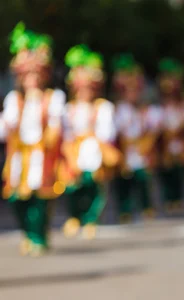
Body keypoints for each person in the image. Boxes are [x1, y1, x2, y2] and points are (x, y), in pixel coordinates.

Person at [1, 23, 66, 256]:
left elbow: (57, 127)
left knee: (41, 198)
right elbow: (5, 127)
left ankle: (39, 236)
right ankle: (28, 233)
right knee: (18, 199)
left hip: (41, 154)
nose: (32, 79)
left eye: (36, 74)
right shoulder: (13, 100)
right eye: (27, 74)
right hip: (19, 156)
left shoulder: (53, 98)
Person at [58, 45, 119, 239]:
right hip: (75, 152)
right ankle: (75, 217)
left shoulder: (103, 108)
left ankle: (91, 220)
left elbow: (107, 132)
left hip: (94, 152)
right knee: (73, 187)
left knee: (95, 188)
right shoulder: (69, 108)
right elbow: (66, 132)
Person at [147, 58, 184, 214]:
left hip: (179, 143)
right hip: (165, 145)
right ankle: (168, 199)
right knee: (165, 173)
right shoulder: (158, 106)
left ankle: (178, 199)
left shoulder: (183, 105)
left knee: (179, 173)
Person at [112, 53, 156, 223]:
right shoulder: (118, 108)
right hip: (124, 149)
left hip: (139, 149)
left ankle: (146, 207)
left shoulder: (143, 110)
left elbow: (150, 129)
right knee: (123, 182)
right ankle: (125, 209)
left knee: (143, 180)